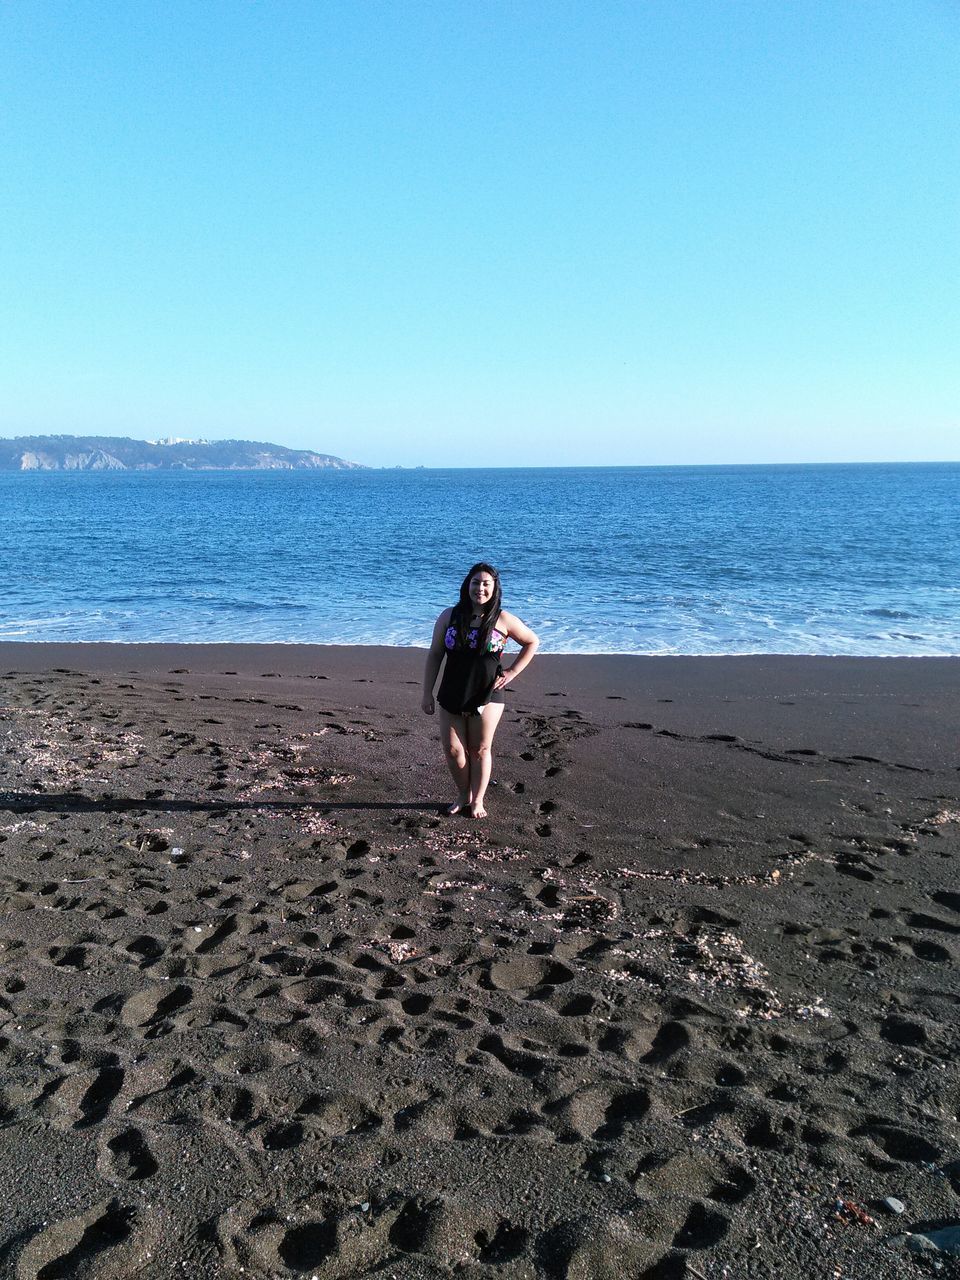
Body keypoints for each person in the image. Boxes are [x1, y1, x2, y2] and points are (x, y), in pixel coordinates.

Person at [422, 562, 539, 818]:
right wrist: (426, 692)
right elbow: (434, 655)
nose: (480, 588)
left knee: (480, 749)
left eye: (486, 583)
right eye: (476, 582)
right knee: (453, 750)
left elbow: (532, 641)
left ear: (494, 588)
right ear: (467, 585)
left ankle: (478, 800)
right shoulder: (449, 616)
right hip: (452, 689)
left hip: (487, 693)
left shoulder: (503, 619)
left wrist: (512, 672)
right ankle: (463, 793)